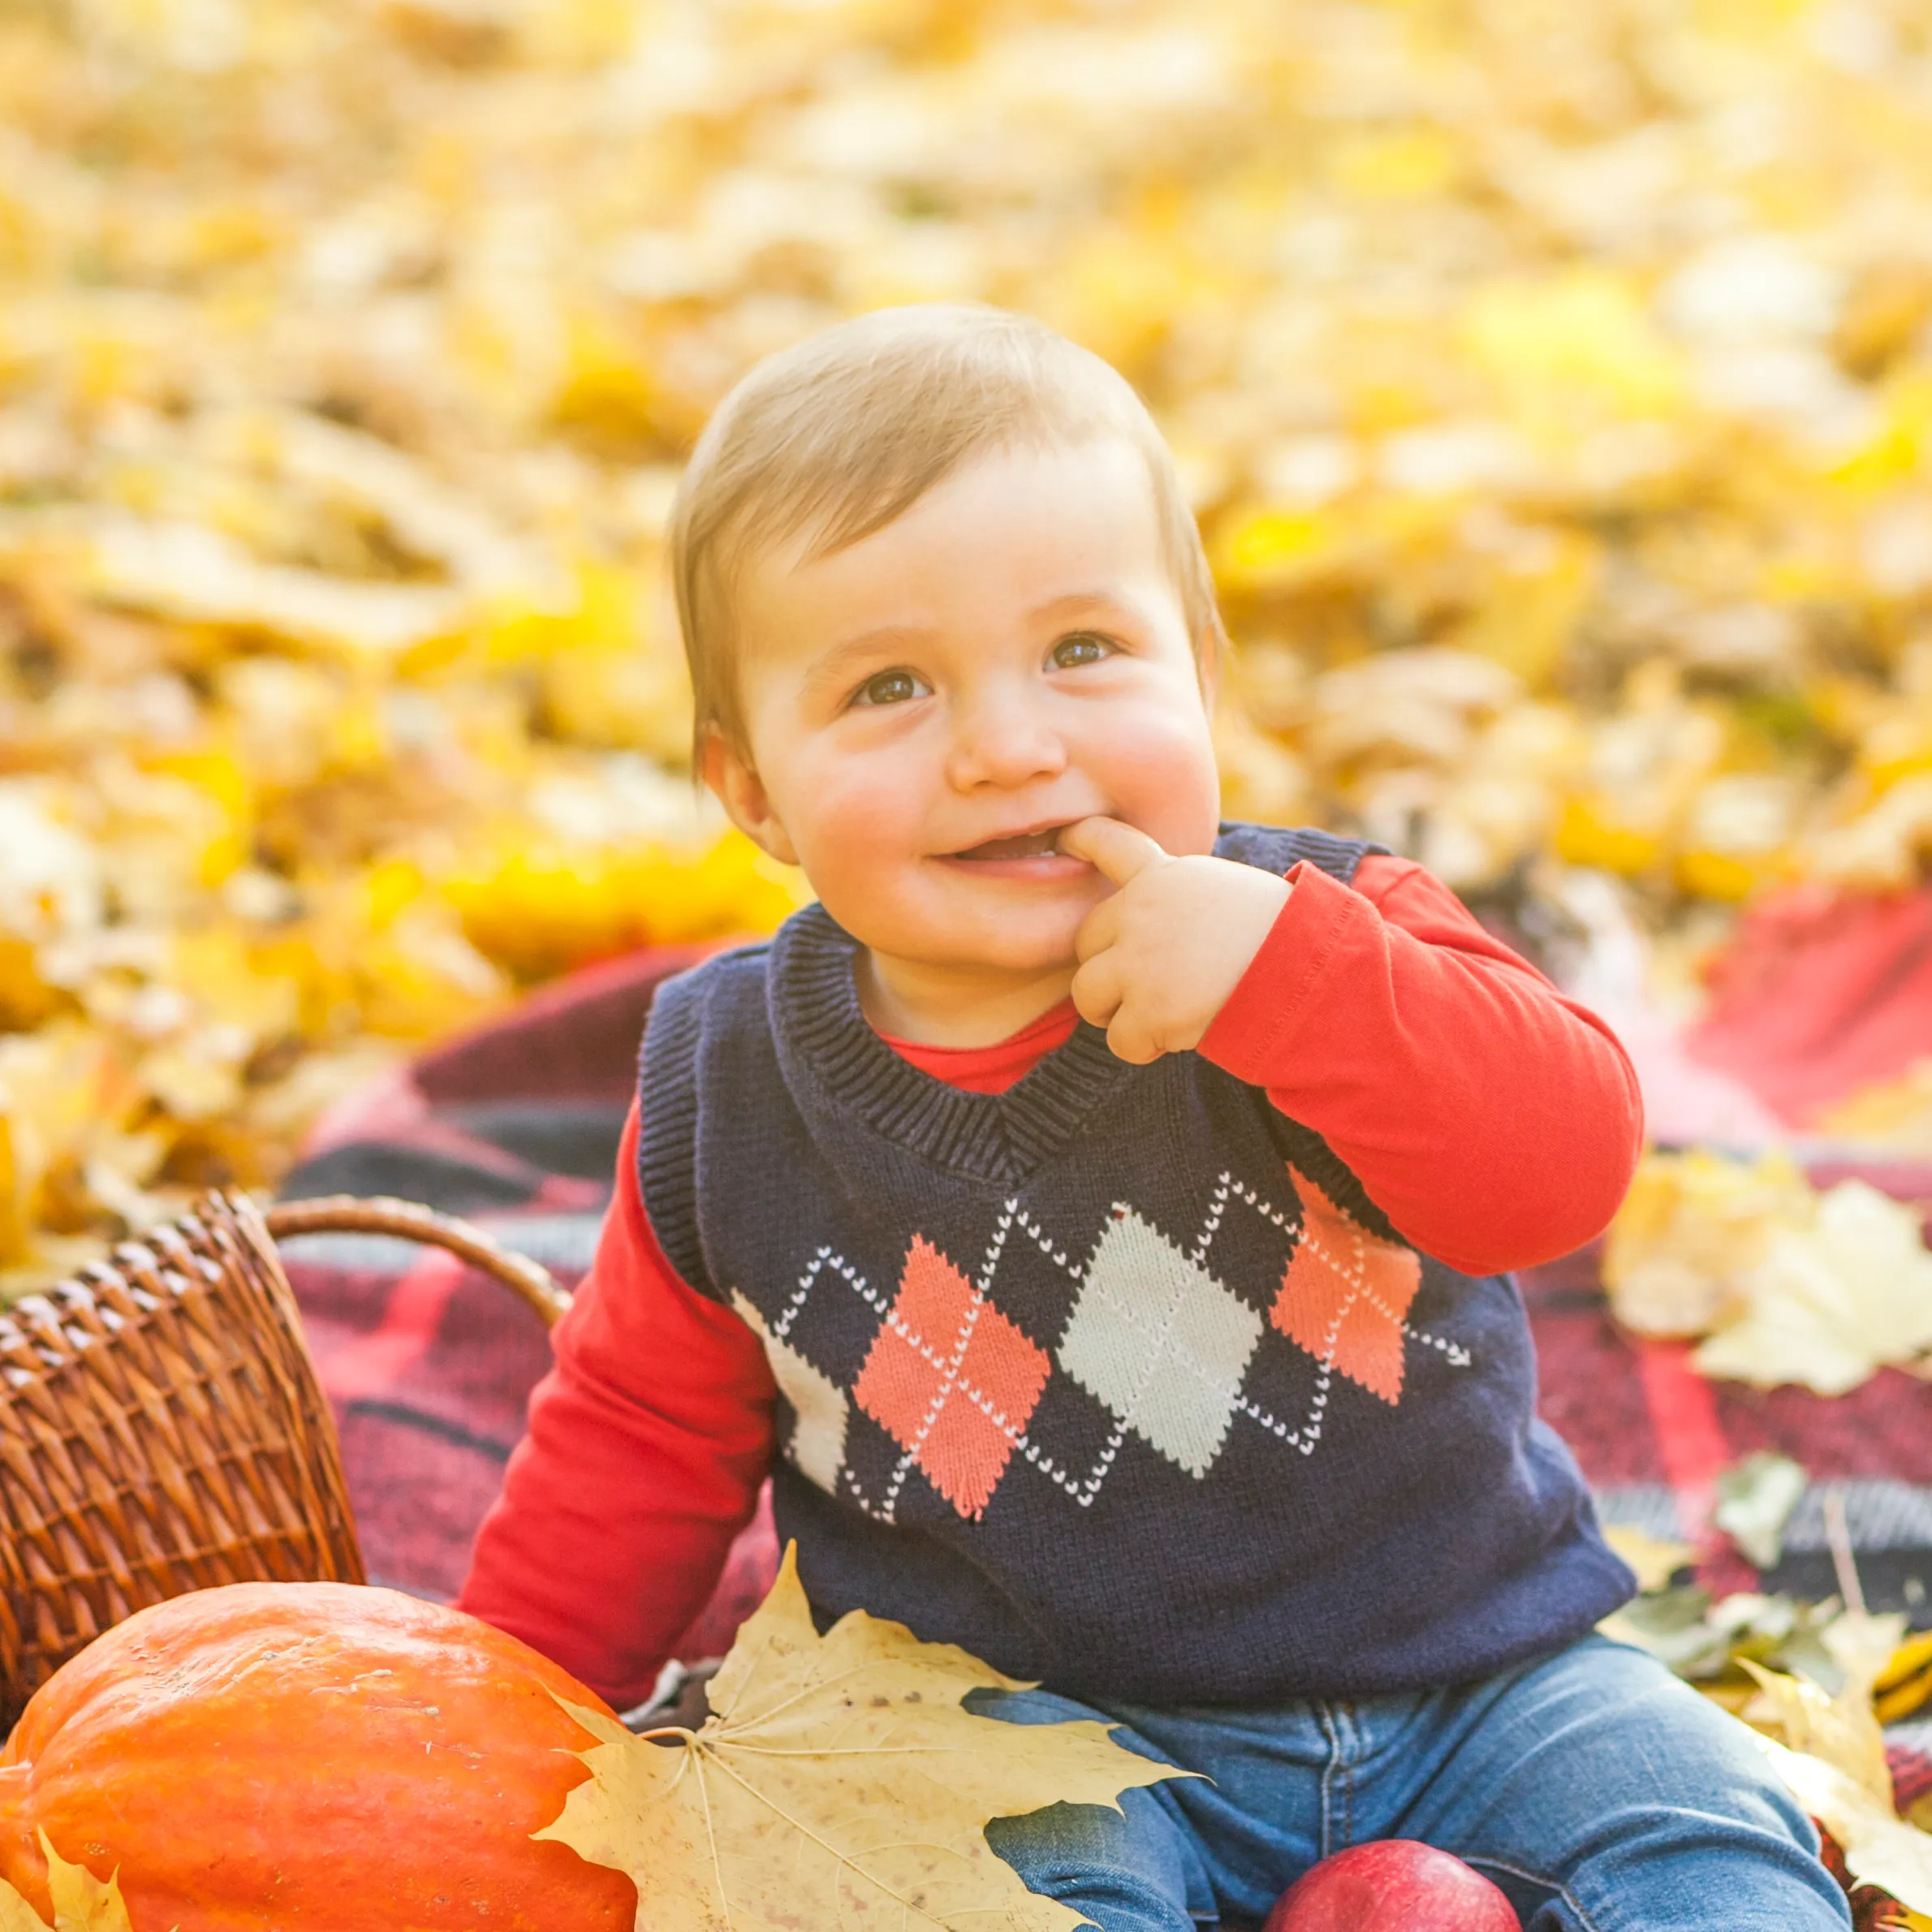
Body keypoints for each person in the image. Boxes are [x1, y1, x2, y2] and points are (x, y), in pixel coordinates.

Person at [458, 304, 1849, 1931]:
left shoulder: (1336, 937)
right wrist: (491, 1736)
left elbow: (1558, 1172)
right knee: (973, 1905)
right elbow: (634, 1437)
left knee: (1702, 1833)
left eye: (1080, 652)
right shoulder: (731, 1090)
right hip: (1010, 1736)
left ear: (1202, 675)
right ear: (750, 788)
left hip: (1476, 1675)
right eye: (890, 685)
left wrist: (1296, 986)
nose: (1007, 746)